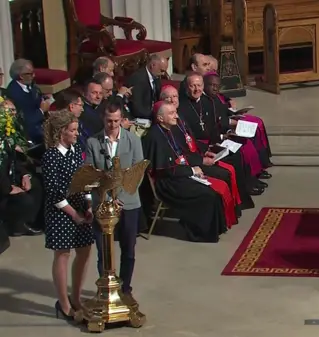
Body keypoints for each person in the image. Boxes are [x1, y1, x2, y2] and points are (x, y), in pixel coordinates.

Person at [141, 102, 227, 242]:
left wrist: (191, 169)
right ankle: (198, 233)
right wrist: (192, 170)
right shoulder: (154, 137)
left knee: (212, 192)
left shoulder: (170, 130)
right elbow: (164, 170)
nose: (176, 116)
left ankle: (214, 229)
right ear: (160, 118)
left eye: (175, 112)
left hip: (178, 175)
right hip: (167, 184)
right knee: (207, 195)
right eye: (171, 113)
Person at [85, 101, 143, 299]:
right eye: (109, 121)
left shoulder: (134, 141)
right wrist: (109, 197)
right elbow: (91, 175)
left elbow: (137, 173)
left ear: (122, 120)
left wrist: (120, 197)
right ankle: (106, 289)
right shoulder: (93, 142)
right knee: (104, 251)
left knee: (128, 249)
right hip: (102, 204)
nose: (113, 125)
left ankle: (125, 289)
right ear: (103, 119)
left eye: (117, 121)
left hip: (129, 203)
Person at [161, 85, 255, 207]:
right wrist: (201, 159)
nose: (173, 100)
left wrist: (206, 150)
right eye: (169, 98)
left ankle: (243, 198)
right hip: (190, 163)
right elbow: (180, 152)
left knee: (236, 156)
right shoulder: (169, 124)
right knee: (225, 173)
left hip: (200, 151)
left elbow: (192, 138)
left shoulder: (179, 117)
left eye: (175, 96)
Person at [41, 110, 94, 321]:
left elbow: (86, 179)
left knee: (84, 251)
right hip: (61, 211)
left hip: (80, 208)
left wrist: (88, 205)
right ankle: (63, 305)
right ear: (61, 132)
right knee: (62, 254)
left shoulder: (76, 150)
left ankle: (76, 297)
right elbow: (53, 191)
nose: (76, 133)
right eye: (72, 130)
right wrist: (73, 214)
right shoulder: (51, 156)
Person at [175, 77, 265, 196]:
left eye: (199, 85)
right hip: (200, 148)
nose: (197, 89)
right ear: (187, 87)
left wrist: (222, 136)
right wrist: (208, 146)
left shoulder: (206, 102)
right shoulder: (182, 108)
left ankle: (247, 186)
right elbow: (189, 137)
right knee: (234, 157)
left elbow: (214, 124)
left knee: (238, 150)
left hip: (214, 140)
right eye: (193, 86)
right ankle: (243, 191)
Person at [203, 71, 273, 179]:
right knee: (244, 146)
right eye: (212, 85)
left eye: (217, 86)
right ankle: (252, 178)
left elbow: (222, 110)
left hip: (225, 126)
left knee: (253, 129)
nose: (215, 88)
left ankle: (259, 168)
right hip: (217, 135)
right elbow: (214, 122)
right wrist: (229, 128)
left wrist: (234, 114)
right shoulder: (204, 101)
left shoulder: (214, 96)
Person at [0, 100, 42, 236]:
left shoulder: (11, 134)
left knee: (36, 185)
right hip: (3, 183)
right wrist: (9, 188)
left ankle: (28, 222)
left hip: (12, 174)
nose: (12, 114)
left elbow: (15, 161)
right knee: (24, 200)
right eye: (8, 112)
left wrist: (25, 176)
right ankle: (14, 226)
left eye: (13, 111)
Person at [5, 59, 49, 144]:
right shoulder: (14, 93)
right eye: (31, 73)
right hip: (28, 134)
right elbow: (26, 120)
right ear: (21, 76)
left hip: (40, 126)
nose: (34, 75)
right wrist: (41, 111)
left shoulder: (30, 86)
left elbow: (36, 100)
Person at [126, 54, 168, 120]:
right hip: (140, 118)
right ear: (153, 65)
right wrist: (155, 116)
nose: (163, 74)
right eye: (162, 70)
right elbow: (137, 108)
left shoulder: (156, 78)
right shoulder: (138, 78)